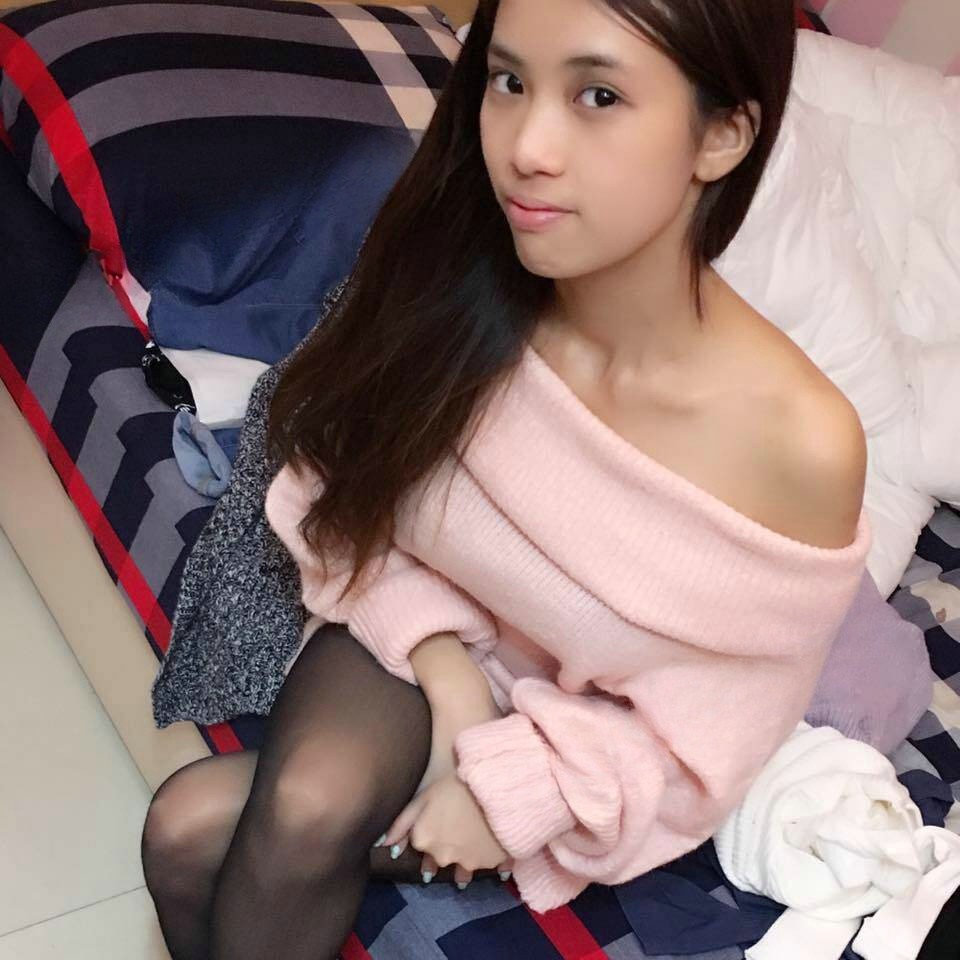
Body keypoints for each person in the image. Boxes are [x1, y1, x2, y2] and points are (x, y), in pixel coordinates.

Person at [140, 0, 872, 957]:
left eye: (598, 96)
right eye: (509, 81)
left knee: (200, 828)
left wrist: (513, 793)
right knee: (228, 817)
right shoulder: (456, 282)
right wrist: (452, 687)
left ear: (722, 134)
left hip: (581, 744)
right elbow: (342, 492)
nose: (527, 147)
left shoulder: (800, 444)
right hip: (425, 635)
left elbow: (712, 736)